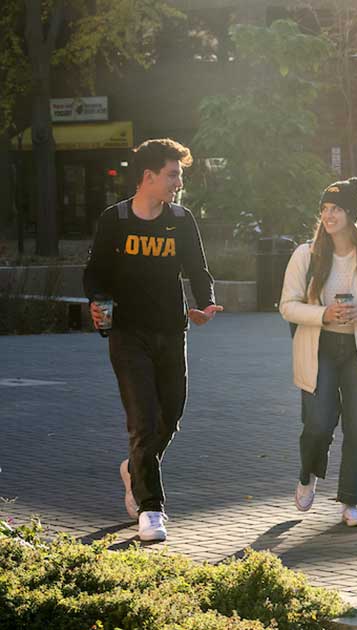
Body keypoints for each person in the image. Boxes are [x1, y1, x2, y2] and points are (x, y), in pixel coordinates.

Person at [82, 138, 222, 542]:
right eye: (173, 174)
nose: (178, 182)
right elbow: (96, 273)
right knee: (142, 420)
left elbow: (198, 270)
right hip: (127, 334)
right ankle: (151, 509)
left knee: (171, 415)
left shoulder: (181, 220)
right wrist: (97, 302)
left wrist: (206, 304)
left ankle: (133, 468)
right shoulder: (117, 220)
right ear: (149, 177)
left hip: (171, 331)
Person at [279, 177, 357, 527]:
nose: (328, 215)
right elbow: (287, 306)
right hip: (319, 346)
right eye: (324, 209)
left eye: (335, 209)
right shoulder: (307, 254)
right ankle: (308, 474)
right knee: (318, 423)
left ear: (352, 213)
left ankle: (351, 502)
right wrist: (322, 314)